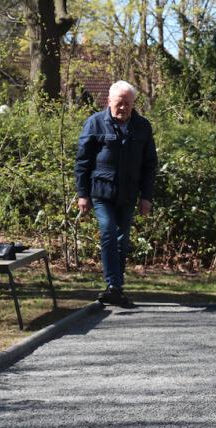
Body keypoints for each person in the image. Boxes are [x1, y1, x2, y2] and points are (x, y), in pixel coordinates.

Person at [75, 81, 158, 307]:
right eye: (119, 103)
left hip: (129, 193)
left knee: (122, 241)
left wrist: (146, 197)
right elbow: (83, 161)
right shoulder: (95, 123)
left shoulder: (142, 126)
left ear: (133, 104)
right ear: (109, 101)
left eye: (127, 104)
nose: (123, 108)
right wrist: (83, 194)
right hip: (101, 191)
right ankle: (113, 285)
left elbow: (150, 164)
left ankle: (116, 288)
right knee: (108, 233)